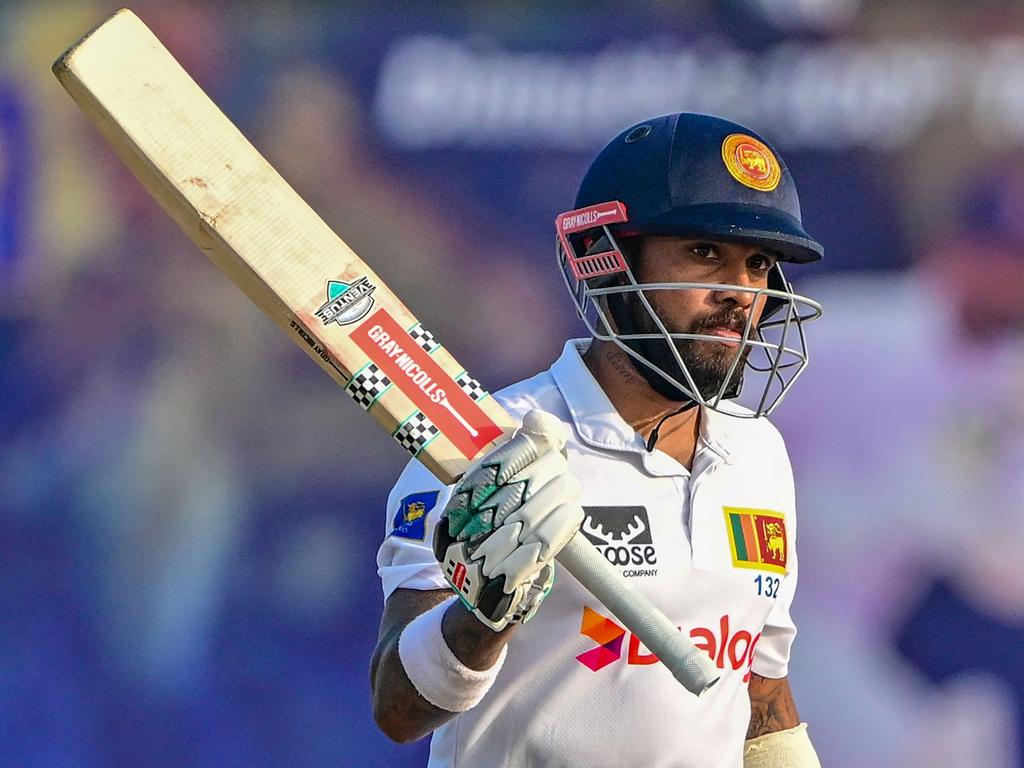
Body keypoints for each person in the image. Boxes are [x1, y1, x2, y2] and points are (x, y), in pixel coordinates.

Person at [371, 112, 824, 768]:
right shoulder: (490, 448)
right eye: (704, 253)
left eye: (757, 264)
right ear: (605, 259)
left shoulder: (759, 455)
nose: (739, 292)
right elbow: (397, 709)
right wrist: (483, 611)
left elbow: (754, 692)